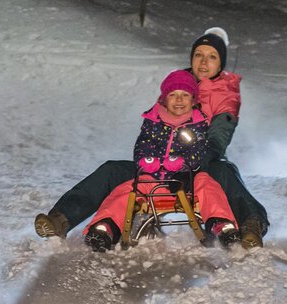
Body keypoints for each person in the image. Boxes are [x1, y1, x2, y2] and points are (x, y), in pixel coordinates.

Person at [34, 27, 269, 248]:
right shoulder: (177, 85)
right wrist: (149, 159)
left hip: (201, 162)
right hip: (160, 167)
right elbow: (154, 128)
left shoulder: (225, 92)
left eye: (212, 57)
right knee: (112, 170)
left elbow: (219, 135)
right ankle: (60, 219)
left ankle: (251, 225)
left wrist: (196, 160)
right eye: (199, 55)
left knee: (225, 172)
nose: (203, 62)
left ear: (221, 63)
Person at [82, 70, 240, 251]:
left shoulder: (198, 125)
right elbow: (143, 145)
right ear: (164, 99)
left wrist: (184, 163)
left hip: (187, 183)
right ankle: (105, 228)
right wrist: (146, 160)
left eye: (184, 95)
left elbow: (200, 150)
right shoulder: (152, 123)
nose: (179, 100)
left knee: (208, 185)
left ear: (194, 100)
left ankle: (222, 225)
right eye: (173, 95)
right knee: (125, 189)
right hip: (154, 179)